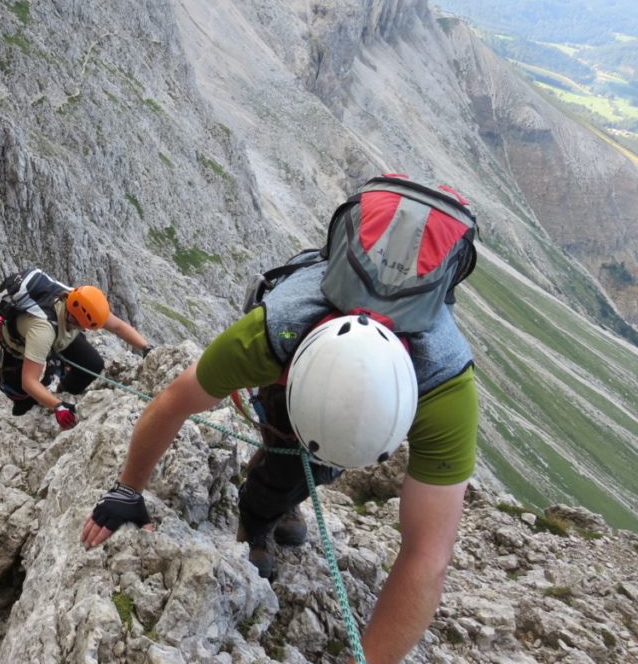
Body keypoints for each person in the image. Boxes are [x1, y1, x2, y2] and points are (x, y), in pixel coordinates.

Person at [81, 255, 478, 664]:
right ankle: (257, 516)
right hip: (292, 372)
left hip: (332, 380)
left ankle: (288, 493)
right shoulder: (269, 336)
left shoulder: (445, 386)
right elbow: (172, 402)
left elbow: (429, 556)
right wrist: (127, 489)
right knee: (285, 461)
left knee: (315, 469)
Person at [0, 280, 153, 429]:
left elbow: (118, 326)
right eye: (82, 326)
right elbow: (29, 381)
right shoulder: (43, 331)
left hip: (60, 334)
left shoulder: (81, 302)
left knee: (93, 365)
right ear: (72, 318)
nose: (83, 329)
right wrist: (58, 406)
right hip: (21, 349)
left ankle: (64, 389)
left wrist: (146, 347)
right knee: (23, 401)